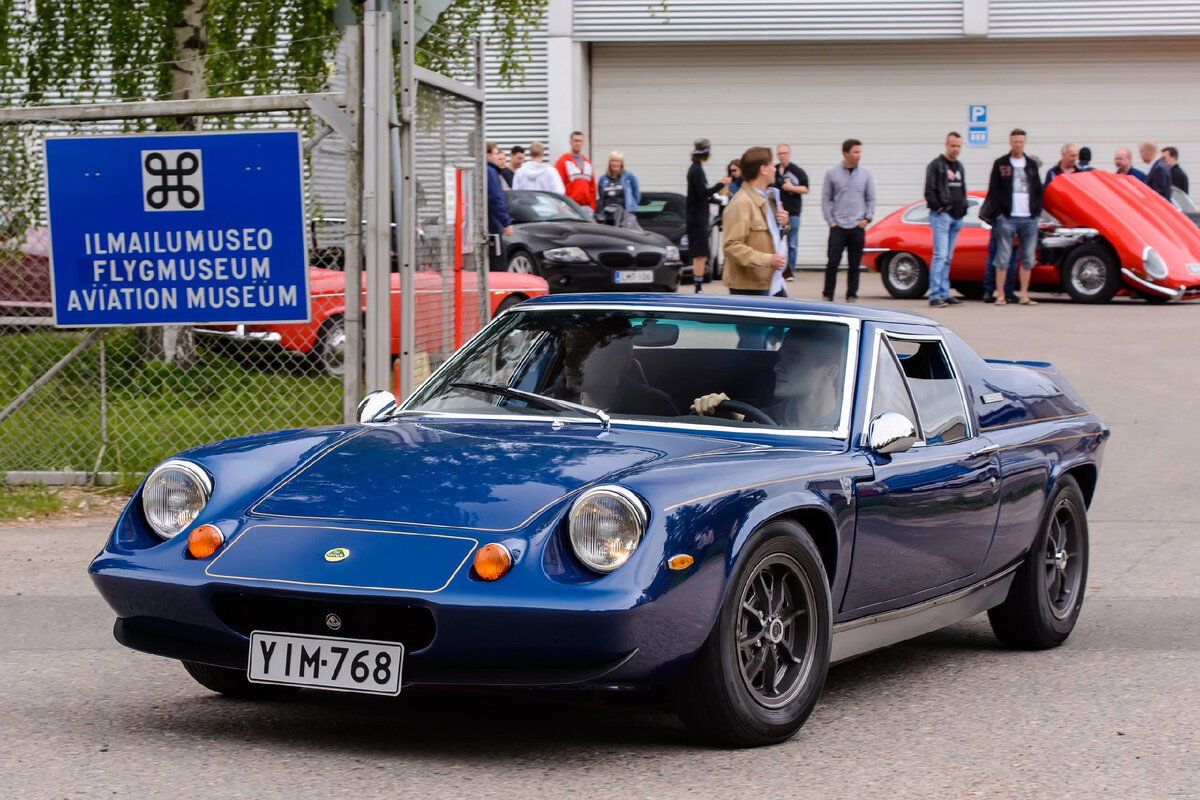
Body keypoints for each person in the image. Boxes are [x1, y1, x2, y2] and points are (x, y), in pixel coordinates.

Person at [691, 324, 846, 430]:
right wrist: (729, 415)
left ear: (830, 372)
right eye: (781, 358)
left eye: (794, 359)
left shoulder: (848, 426)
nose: (777, 367)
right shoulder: (766, 418)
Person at [556, 318, 678, 416]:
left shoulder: (655, 410)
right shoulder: (550, 402)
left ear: (617, 363)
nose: (567, 361)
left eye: (582, 353)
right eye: (568, 350)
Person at [979, 128, 1043, 306]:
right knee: (1003, 257)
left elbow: (1038, 190)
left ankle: (1023, 295)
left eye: (1021, 142)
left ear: (1024, 142)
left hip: (1028, 218)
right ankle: (1000, 294)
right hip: (1007, 217)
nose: (1018, 145)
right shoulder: (1001, 164)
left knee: (1028, 258)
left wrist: (1035, 212)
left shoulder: (1030, 164)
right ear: (1010, 142)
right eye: (1015, 141)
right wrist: (999, 214)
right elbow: (994, 190)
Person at [821, 139, 875, 302]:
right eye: (855, 152)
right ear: (845, 153)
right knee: (833, 263)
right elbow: (825, 198)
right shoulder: (832, 173)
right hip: (838, 225)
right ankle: (828, 294)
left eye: (860, 152)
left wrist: (867, 218)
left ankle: (852, 294)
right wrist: (830, 221)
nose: (858, 155)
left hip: (857, 225)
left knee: (854, 265)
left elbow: (871, 197)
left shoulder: (866, 174)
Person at [924, 131, 967, 307]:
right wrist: (940, 208)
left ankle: (944, 292)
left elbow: (962, 189)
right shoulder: (936, 165)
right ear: (946, 145)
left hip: (957, 216)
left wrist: (962, 208)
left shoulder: (959, 166)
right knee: (940, 256)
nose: (955, 149)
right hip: (942, 216)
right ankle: (935, 295)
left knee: (948, 257)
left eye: (958, 146)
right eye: (953, 146)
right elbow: (929, 191)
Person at [686, 138, 731, 292]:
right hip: (697, 219)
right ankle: (698, 287)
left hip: (699, 217)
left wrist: (715, 199)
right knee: (700, 254)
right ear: (706, 152)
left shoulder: (697, 169)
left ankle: (698, 286)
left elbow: (701, 195)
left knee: (702, 254)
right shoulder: (696, 170)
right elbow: (702, 193)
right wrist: (720, 185)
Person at [775, 144, 810, 282]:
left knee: (792, 244)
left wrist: (792, 188)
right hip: (777, 213)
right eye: (780, 153)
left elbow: (805, 188)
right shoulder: (775, 170)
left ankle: (791, 271)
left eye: (785, 153)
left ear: (789, 154)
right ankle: (779, 270)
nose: (782, 156)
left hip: (793, 213)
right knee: (776, 242)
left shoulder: (796, 171)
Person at [595, 150, 642, 229]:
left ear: (621, 163)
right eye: (613, 161)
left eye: (617, 161)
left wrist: (631, 206)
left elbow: (636, 194)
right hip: (607, 216)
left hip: (624, 216)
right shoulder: (603, 178)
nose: (615, 164)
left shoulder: (629, 176)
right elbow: (601, 196)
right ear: (609, 163)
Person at [485, 142, 513, 271]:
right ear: (488, 155)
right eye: (496, 154)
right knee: (498, 267)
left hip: (487, 227)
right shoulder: (491, 172)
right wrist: (506, 222)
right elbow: (496, 199)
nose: (498, 157)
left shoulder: (482, 171)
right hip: (493, 230)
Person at [555, 131, 596, 208]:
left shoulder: (587, 162)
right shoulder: (562, 161)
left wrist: (592, 207)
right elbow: (557, 186)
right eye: (575, 141)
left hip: (586, 208)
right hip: (569, 207)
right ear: (570, 142)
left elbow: (592, 187)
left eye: (580, 141)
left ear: (583, 143)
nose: (578, 143)